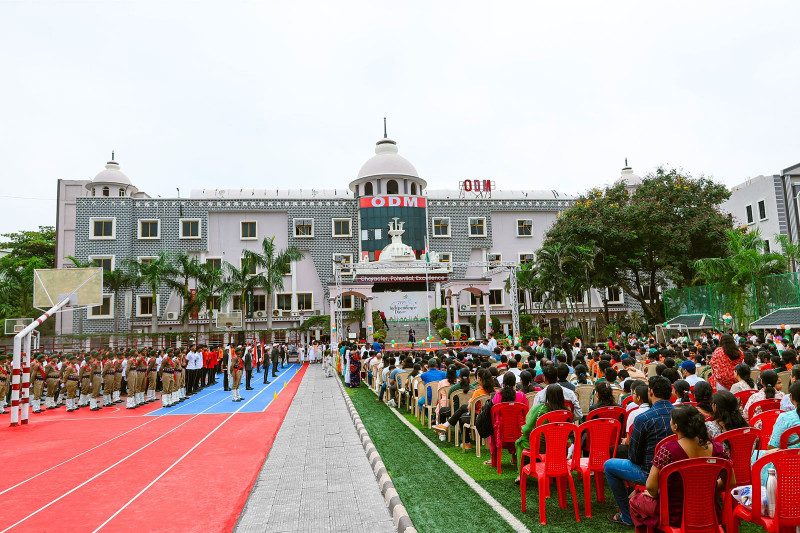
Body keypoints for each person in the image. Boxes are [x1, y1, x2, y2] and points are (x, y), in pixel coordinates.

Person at [645, 404, 733, 529]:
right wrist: (707, 490)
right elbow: (731, 481)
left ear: (675, 426)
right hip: (709, 513)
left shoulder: (667, 450)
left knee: (635, 501)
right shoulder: (717, 448)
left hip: (675, 516)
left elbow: (651, 487)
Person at [605, 376, 674, 527]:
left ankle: (627, 515)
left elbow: (634, 457)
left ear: (650, 392)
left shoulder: (644, 418)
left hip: (649, 473)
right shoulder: (681, 414)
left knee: (609, 465)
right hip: (678, 470)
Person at [515, 384, 566, 482]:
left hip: (541, 446)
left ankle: (521, 475)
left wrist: (523, 431)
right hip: (559, 446)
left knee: (520, 442)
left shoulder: (541, 409)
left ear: (547, 396)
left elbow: (527, 429)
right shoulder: (566, 411)